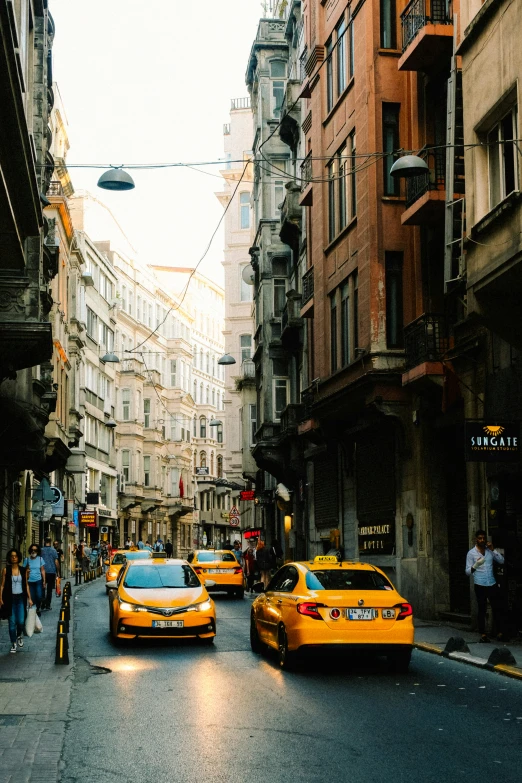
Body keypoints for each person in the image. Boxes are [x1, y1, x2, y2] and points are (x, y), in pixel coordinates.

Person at [465, 529, 507, 642]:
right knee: (482, 609)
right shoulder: (471, 553)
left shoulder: (489, 551)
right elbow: (467, 572)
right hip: (480, 584)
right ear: (476, 539)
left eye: (483, 538)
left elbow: (502, 561)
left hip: (491, 583)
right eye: (480, 538)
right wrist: (476, 565)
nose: (482, 540)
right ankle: (483, 634)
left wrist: (493, 550)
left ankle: (500, 633)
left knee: (497, 608)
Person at [0, 549, 32, 653]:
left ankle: (19, 636)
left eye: (16, 556)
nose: (14, 557)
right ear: (10, 558)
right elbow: (2, 585)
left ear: (18, 558)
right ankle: (13, 643)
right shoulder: (6, 570)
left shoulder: (23, 570)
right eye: (12, 556)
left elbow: (26, 585)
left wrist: (30, 598)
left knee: (21, 621)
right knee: (12, 622)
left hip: (20, 598)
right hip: (10, 599)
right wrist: (0, 598)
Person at [23, 544, 46, 616]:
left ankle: (38, 607)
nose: (33, 551)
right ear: (30, 551)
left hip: (38, 580)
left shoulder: (40, 559)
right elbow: (23, 570)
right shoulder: (27, 560)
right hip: (30, 581)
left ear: (37, 551)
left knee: (39, 596)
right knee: (32, 597)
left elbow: (42, 570)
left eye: (35, 550)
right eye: (32, 550)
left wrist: (44, 581)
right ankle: (35, 610)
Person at [40, 538, 60, 611]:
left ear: (44, 542)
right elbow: (56, 562)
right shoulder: (54, 550)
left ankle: (42, 604)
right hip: (51, 572)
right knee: (49, 590)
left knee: (42, 588)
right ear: (50, 542)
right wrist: (58, 572)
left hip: (43, 572)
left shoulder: (41, 550)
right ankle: (48, 605)